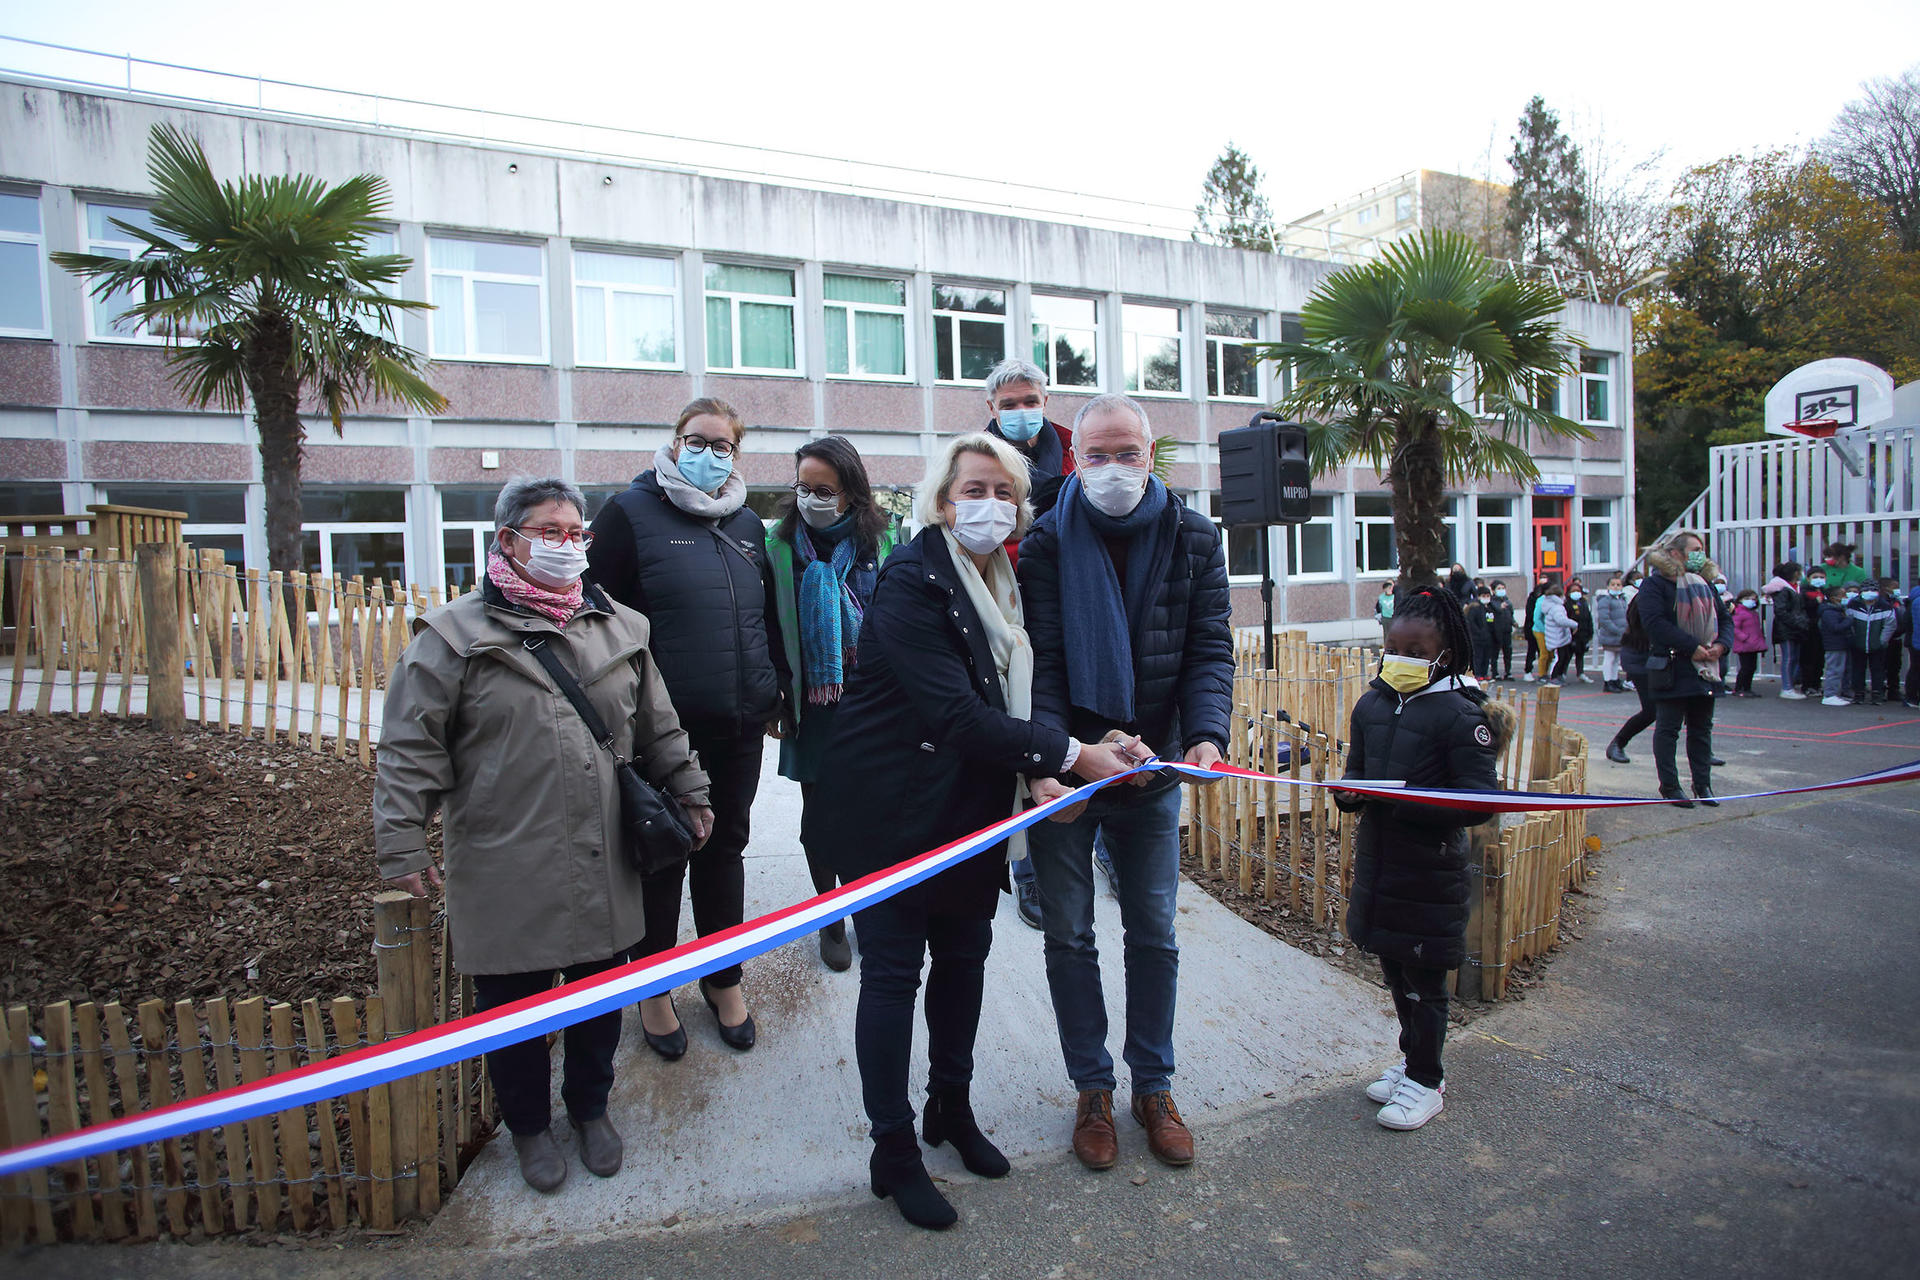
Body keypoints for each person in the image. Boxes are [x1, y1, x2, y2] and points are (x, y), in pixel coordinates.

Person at [810, 433, 1138, 1230]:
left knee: (965, 958)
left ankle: (947, 1109)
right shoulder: (911, 581)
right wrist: (1071, 754)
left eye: (1003, 492)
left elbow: (1012, 702)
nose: (988, 505)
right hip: (886, 810)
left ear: (1021, 507)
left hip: (966, 807)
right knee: (894, 973)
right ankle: (893, 1150)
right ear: (941, 500)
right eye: (972, 490)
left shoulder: (1005, 580)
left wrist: (1049, 772)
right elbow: (955, 714)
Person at [373, 478, 715, 1193]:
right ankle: (528, 1128)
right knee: (515, 1010)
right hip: (505, 857)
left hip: (602, 850)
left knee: (597, 995)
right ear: (508, 541)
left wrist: (690, 789)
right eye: (550, 531)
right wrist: (401, 843)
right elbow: (411, 750)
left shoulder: (620, 626)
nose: (568, 544)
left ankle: (591, 1111)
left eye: (576, 532)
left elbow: (659, 724)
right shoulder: (451, 638)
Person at [1019, 393, 1234, 1172]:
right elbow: (1035, 663)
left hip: (1155, 768)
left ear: (1152, 455)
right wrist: (1064, 754)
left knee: (1153, 934)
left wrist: (1205, 736)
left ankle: (1154, 1085)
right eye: (1097, 455)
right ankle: (1092, 1089)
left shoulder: (1195, 537)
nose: (1112, 469)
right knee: (1070, 936)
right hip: (1069, 771)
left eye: (1127, 454)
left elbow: (1210, 647)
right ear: (1076, 460)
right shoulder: (1043, 542)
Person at [587, 397, 788, 1056]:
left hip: (739, 724)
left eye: (722, 445)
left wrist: (773, 694)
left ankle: (722, 977)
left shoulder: (749, 525)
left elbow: (764, 619)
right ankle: (653, 988)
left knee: (724, 848)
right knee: (663, 855)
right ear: (675, 443)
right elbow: (598, 620)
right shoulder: (630, 514)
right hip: (662, 732)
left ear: (737, 453)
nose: (707, 453)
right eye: (695, 441)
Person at [1332, 587, 1511, 1132]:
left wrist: (1408, 805)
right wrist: (1350, 793)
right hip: (1381, 865)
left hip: (1429, 871)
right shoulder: (1373, 703)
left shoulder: (1461, 716)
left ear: (1444, 655)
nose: (1401, 657)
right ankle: (1412, 1061)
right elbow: (1355, 772)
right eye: (1393, 646)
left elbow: (1478, 802)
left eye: (1415, 649)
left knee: (1424, 982)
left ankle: (1427, 1081)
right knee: (1393, 970)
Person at [768, 436, 896, 972]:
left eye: (825, 489)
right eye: (803, 487)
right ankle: (830, 915)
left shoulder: (879, 546)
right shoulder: (776, 546)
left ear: (850, 494)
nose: (812, 498)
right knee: (818, 821)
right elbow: (766, 627)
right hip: (811, 707)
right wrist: (773, 695)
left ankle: (866, 905)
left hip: (871, 708)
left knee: (872, 818)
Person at [981, 357, 1078, 928]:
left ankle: (1094, 844)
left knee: (1072, 725)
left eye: (1031, 400)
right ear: (990, 410)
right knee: (1019, 727)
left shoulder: (1074, 452)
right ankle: (1028, 871)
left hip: (1065, 606)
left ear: (1046, 400)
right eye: (1009, 403)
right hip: (1003, 610)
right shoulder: (976, 457)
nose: (1022, 411)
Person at [1638, 530, 1733, 806]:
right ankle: (1670, 787)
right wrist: (1692, 646)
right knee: (1668, 730)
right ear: (1675, 553)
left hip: (1705, 668)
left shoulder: (1705, 583)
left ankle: (1703, 786)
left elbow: (1725, 620)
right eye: (1695, 548)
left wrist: (1721, 646)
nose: (1700, 553)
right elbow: (1655, 625)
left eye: (1702, 548)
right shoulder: (1655, 586)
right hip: (1672, 667)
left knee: (1702, 729)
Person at [1604, 595, 1658, 764]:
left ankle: (1701, 752)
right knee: (1652, 710)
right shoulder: (1649, 595)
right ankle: (1618, 743)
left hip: (1653, 657)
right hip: (1640, 658)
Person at [1845, 581, 1896, 705]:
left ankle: (1877, 694)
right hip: (1858, 645)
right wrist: (1853, 639)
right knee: (1857, 670)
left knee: (1878, 670)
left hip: (1877, 646)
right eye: (1866, 590)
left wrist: (1882, 641)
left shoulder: (1885, 606)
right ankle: (1859, 693)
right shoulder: (1853, 605)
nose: (1869, 593)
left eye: (1873, 590)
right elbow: (1848, 623)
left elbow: (1890, 625)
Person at [1763, 563, 1808, 700]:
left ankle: (1790, 686)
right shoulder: (1784, 590)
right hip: (1786, 629)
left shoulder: (1795, 588)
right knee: (1788, 658)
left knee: (1793, 657)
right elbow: (1781, 611)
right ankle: (1787, 687)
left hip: (1794, 628)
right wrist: (1796, 622)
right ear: (1795, 573)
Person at [1818, 584, 1853, 706]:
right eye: (1842, 595)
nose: (1846, 597)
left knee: (1840, 670)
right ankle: (1829, 695)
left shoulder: (1838, 610)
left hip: (1841, 644)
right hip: (1834, 645)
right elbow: (1835, 627)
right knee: (1834, 670)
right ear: (1833, 598)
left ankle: (1836, 693)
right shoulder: (1829, 612)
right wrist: (1849, 620)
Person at [1593, 575, 1630, 692]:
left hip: (1621, 635)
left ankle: (1615, 679)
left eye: (1618, 585)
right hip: (1610, 635)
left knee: (1616, 659)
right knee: (1609, 658)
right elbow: (1604, 619)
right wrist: (1617, 630)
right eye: (1613, 585)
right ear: (1608, 586)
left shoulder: (1623, 599)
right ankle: (1608, 681)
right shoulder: (1605, 600)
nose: (1615, 587)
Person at [1799, 567, 1830, 695]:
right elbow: (1801, 608)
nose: (1819, 580)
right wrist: (1814, 602)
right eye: (1815, 577)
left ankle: (1816, 684)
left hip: (1822, 630)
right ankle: (1807, 685)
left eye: (1821, 577)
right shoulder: (1804, 593)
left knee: (1819, 659)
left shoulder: (1826, 592)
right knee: (1808, 659)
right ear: (1808, 579)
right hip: (1808, 629)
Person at [1730, 586, 1766, 696]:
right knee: (1745, 668)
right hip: (1744, 644)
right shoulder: (1739, 612)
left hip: (1753, 644)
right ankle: (1739, 688)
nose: (1752, 601)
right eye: (1748, 598)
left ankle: (1747, 688)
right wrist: (1744, 637)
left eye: (1754, 599)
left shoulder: (1753, 613)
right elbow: (1734, 627)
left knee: (1751, 667)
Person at [1540, 583, 1574, 685]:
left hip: (1556, 636)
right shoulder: (1557, 608)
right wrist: (1574, 624)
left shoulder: (1550, 605)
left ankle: (1558, 676)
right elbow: (1561, 620)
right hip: (1559, 636)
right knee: (1561, 658)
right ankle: (1555, 676)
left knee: (1562, 657)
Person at [1881, 578, 1908, 703]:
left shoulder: (1897, 601)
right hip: (1886, 639)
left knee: (1895, 666)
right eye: (1894, 587)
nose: (1896, 590)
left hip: (1897, 638)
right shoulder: (1882, 603)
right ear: (1885, 588)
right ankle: (1880, 690)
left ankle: (1894, 690)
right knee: (1882, 666)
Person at [1566, 581, 1595, 683]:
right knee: (1567, 655)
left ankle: (1580, 673)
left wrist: (1590, 632)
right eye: (1573, 591)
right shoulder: (1567, 604)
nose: (1576, 593)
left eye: (1578, 591)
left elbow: (1588, 618)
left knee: (1580, 654)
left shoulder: (1583, 603)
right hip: (1572, 634)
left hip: (1583, 633)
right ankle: (1562, 673)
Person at [1466, 586, 1496, 680]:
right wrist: (1479, 632)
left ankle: (1484, 673)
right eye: (1484, 595)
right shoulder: (1475, 607)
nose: (1486, 597)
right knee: (1478, 656)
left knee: (1486, 657)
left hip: (1488, 636)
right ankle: (1477, 673)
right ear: (1479, 596)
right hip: (1477, 637)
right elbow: (1471, 622)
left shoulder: (1490, 607)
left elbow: (1492, 621)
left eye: (1488, 595)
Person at [1488, 581, 1516, 680]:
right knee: (1495, 653)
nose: (1501, 590)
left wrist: (1513, 622)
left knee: (1508, 652)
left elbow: (1510, 614)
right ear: (1493, 591)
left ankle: (1508, 672)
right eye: (1499, 588)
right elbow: (1491, 616)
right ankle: (1494, 672)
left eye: (1503, 588)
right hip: (1496, 630)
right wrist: (1500, 607)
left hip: (1507, 630)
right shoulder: (1491, 602)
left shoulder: (1507, 601)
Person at [1905, 580, 1920, 708]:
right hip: (1916, 640)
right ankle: (1912, 697)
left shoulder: (1914, 599)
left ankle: (1911, 698)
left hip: (1914, 640)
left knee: (1915, 668)